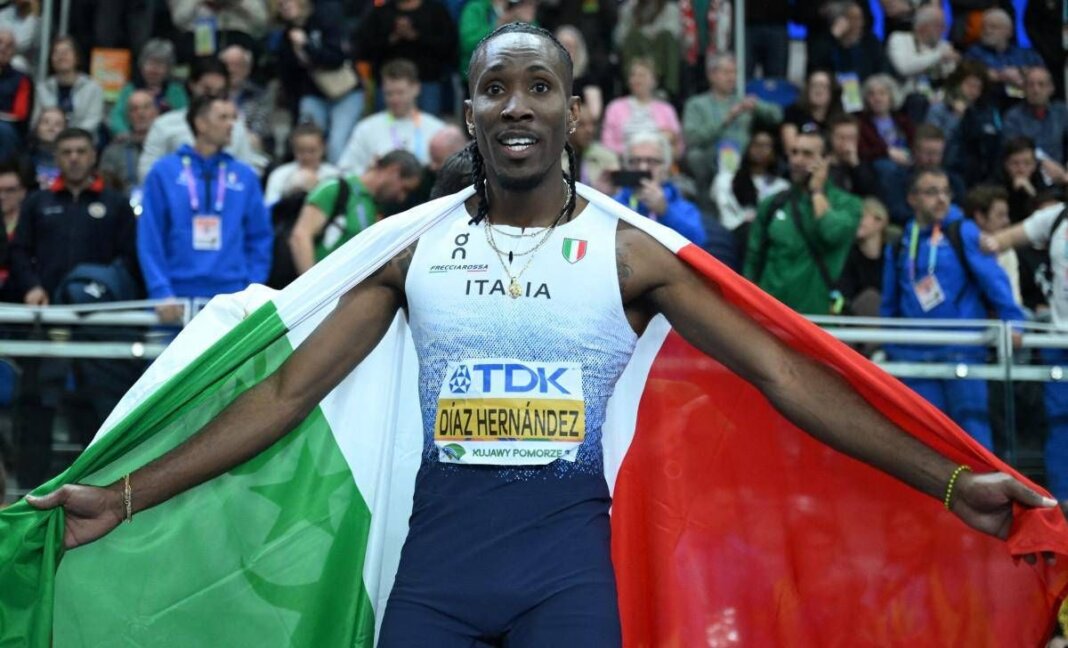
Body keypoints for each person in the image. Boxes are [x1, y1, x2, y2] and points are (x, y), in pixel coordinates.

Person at [26, 23, 1061, 645]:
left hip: (566, 580)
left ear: (574, 114)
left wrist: (945, 480)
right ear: (469, 114)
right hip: (435, 580)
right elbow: (285, 396)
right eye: (495, 89)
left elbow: (786, 378)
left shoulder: (631, 256)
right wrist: (125, 495)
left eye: (539, 88)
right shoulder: (412, 253)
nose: (516, 106)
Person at [9, 127, 139, 487]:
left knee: (96, 409)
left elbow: (128, 261)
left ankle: (99, 490)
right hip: (48, 321)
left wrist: (102, 295)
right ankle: (28, 492)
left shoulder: (116, 204)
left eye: (81, 151)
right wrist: (32, 287)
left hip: (99, 324)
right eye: (66, 152)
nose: (74, 158)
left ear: (93, 155)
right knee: (37, 406)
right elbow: (18, 252)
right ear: (56, 158)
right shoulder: (37, 203)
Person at [880, 167, 1024, 449]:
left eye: (946, 192)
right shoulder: (899, 243)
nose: (941, 199)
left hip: (962, 352)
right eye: (932, 192)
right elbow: (890, 302)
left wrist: (1013, 321)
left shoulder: (963, 232)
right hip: (915, 357)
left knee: (973, 439)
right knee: (923, 442)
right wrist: (891, 346)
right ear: (912, 198)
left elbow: (995, 281)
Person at [137, 95, 272, 324]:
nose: (232, 124)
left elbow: (260, 238)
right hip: (175, 299)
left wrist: (251, 293)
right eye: (223, 117)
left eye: (233, 118)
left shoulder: (244, 176)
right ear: (200, 124)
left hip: (233, 299)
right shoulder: (164, 172)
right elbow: (150, 237)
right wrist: (161, 291)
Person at [981, 193, 1068, 499]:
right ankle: (1062, 506)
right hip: (1059, 341)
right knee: (1060, 426)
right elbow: (997, 242)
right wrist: (977, 240)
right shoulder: (1056, 217)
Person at [743, 126, 863, 315]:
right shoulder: (772, 204)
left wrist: (817, 192)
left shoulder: (848, 205)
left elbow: (831, 233)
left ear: (825, 161)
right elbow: (753, 259)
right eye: (794, 152)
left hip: (814, 318)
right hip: (767, 315)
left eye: (807, 154)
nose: (796, 160)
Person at [289, 149, 422, 275]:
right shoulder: (335, 188)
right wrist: (313, 286)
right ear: (394, 171)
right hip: (321, 285)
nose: (402, 198)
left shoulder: (378, 208)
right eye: (404, 189)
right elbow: (300, 237)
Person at [137, 58, 265, 182]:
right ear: (192, 85)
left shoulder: (235, 125)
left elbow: (247, 173)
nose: (213, 97)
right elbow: (147, 172)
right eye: (207, 90)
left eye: (219, 92)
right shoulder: (165, 124)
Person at [683, 53, 782, 204]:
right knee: (695, 156)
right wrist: (727, 119)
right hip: (711, 160)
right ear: (712, 75)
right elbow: (692, 139)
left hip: (744, 160)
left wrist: (757, 106)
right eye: (726, 72)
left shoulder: (743, 102)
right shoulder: (696, 104)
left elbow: (777, 117)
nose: (731, 77)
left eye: (734, 72)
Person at [274, 0, 363, 165]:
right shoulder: (287, 34)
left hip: (345, 92)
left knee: (336, 145)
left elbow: (337, 58)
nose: (284, 5)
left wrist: (306, 45)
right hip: (313, 93)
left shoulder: (324, 17)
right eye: (280, 4)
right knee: (307, 142)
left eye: (288, 1)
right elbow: (288, 75)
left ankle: (338, 180)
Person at [336, 59, 446, 175]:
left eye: (400, 92)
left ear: (416, 88)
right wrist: (370, 172)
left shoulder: (437, 129)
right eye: (389, 94)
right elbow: (345, 170)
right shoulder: (366, 128)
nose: (395, 99)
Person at [353, 0, 458, 116]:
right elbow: (365, 49)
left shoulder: (435, 11)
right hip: (387, 84)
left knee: (428, 125)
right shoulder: (380, 12)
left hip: (428, 82)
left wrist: (415, 36)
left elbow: (448, 46)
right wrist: (392, 38)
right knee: (385, 125)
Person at [613, 130, 706, 246]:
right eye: (636, 161)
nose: (643, 168)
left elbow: (698, 242)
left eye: (651, 161)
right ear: (627, 166)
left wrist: (665, 212)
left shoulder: (681, 205)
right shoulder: (615, 203)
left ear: (666, 167)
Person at [600, 57, 681, 159]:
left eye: (642, 75)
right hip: (624, 160)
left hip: (658, 160)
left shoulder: (667, 110)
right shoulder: (614, 107)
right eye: (633, 75)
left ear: (654, 81)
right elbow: (606, 143)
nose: (636, 79)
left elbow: (679, 145)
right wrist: (634, 151)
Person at [107, 39, 188, 138]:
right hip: (132, 138)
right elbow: (117, 117)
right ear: (142, 65)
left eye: (160, 65)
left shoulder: (176, 91)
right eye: (150, 64)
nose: (154, 70)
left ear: (168, 69)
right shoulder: (129, 89)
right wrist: (126, 134)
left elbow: (183, 118)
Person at [963, 8, 1043, 100]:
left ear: (1009, 31)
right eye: (984, 27)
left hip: (1023, 101)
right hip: (988, 101)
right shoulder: (974, 53)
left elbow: (1042, 74)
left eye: (993, 27)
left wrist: (1021, 72)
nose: (987, 31)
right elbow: (969, 73)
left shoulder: (1025, 54)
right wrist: (1001, 76)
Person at [33, 36, 104, 136]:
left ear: (76, 58)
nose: (61, 56)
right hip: (49, 139)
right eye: (57, 52)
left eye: (66, 52)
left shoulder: (92, 88)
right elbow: (36, 120)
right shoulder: (42, 88)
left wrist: (70, 137)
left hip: (82, 138)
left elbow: (93, 120)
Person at [885, 5, 960, 97]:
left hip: (937, 98)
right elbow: (905, 68)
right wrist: (939, 56)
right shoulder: (899, 39)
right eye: (939, 25)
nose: (944, 30)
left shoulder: (943, 45)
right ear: (923, 27)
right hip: (905, 97)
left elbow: (950, 74)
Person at [965, 184, 1020, 305]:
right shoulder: (959, 250)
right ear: (980, 217)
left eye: (1007, 215)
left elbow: (1014, 300)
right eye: (1000, 215)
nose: (1007, 221)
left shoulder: (1007, 252)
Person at [99, 90, 160, 198]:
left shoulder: (169, 148)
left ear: (156, 112)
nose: (141, 113)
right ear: (128, 116)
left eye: (146, 107)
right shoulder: (113, 151)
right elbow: (106, 190)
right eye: (134, 109)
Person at [835, 196, 888, 317]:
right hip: (853, 321)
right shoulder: (848, 255)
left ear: (879, 221)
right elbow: (842, 295)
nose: (855, 221)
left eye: (861, 216)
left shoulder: (893, 255)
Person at [263, 123, 339, 207]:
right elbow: (270, 207)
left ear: (323, 149)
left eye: (312, 151)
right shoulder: (279, 175)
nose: (307, 157)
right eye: (301, 151)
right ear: (294, 150)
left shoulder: (334, 177)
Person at [1003, 67, 1067, 165]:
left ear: (1051, 88)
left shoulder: (1061, 112)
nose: (1036, 90)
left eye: (1041, 84)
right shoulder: (1013, 117)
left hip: (1059, 171)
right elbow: (1015, 151)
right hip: (1027, 171)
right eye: (1031, 85)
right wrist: (1047, 164)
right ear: (1024, 89)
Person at [780, 69, 842, 156]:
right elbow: (791, 149)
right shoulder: (793, 112)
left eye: (824, 86)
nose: (818, 90)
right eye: (814, 85)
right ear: (807, 89)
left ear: (831, 91)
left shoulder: (839, 116)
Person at [826, 114, 879, 198]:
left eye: (851, 138)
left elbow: (871, 192)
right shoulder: (824, 165)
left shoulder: (863, 161)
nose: (846, 142)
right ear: (831, 138)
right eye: (841, 137)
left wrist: (855, 165)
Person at [0, 28, 32, 161]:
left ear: (14, 52)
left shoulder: (21, 79)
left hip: (7, 129)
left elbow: (20, 115)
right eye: (0, 42)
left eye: (9, 46)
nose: (3, 48)